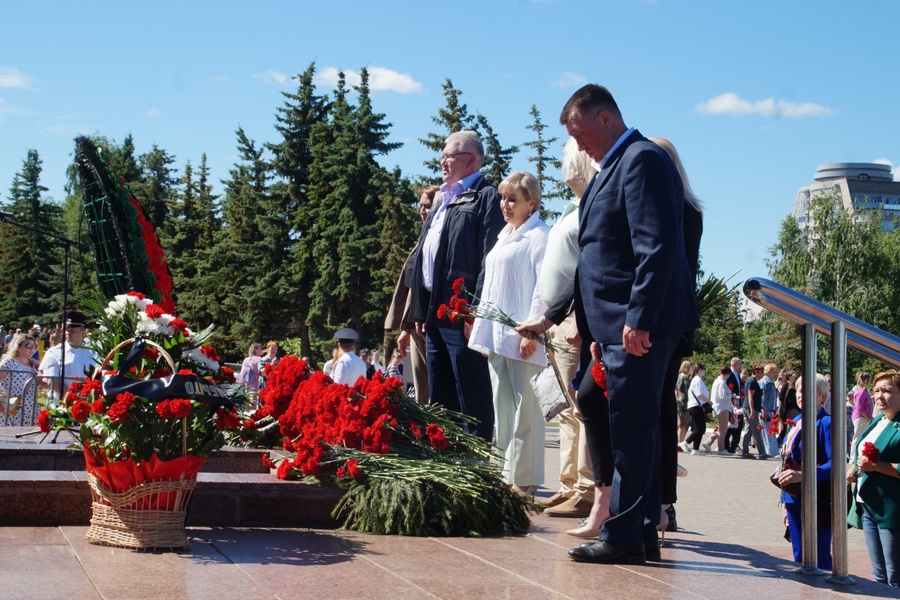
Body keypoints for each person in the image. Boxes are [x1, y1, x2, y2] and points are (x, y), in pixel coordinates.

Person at [559, 84, 700, 565]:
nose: (579, 146)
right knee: (631, 427)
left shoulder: (641, 159)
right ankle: (637, 532)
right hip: (613, 326)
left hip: (635, 324)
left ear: (604, 117)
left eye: (580, 133)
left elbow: (654, 247)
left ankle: (624, 535)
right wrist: (597, 329)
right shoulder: (611, 168)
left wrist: (637, 318)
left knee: (632, 430)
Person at [517, 139, 595, 519]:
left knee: (581, 408)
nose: (564, 163)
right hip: (555, 318)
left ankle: (586, 488)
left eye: (568, 157)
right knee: (564, 411)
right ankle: (568, 486)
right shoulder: (572, 208)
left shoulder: (590, 207)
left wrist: (579, 316)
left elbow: (589, 269)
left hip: (574, 321)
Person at [410, 130, 505, 441]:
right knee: (441, 397)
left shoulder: (485, 195)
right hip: (436, 313)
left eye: (449, 156)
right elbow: (426, 257)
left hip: (462, 314)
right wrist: (420, 312)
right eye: (441, 156)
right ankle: (444, 457)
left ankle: (477, 461)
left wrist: (475, 310)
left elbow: (489, 258)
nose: (443, 162)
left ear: (471, 159)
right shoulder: (443, 199)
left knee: (471, 393)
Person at [468, 171, 549, 493]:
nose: (505, 204)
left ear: (531, 202)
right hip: (498, 335)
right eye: (503, 197)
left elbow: (544, 287)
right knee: (503, 411)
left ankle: (524, 479)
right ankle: (505, 473)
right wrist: (483, 328)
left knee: (525, 412)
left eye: (513, 198)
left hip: (523, 336)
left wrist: (534, 330)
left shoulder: (540, 235)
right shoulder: (505, 235)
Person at [386, 186, 438, 404]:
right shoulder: (422, 240)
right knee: (422, 389)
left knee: (435, 389)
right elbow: (411, 285)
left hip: (433, 323)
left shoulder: (439, 239)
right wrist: (405, 329)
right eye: (420, 207)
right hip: (416, 324)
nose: (422, 211)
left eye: (427, 206)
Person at [848, 370, 900, 587]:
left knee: (895, 575)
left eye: (887, 391)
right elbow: (862, 452)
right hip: (867, 504)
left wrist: (876, 466)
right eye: (876, 390)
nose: (879, 396)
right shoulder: (878, 419)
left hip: (891, 509)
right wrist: (854, 466)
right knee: (878, 575)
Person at [778, 373, 834, 571]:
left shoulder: (826, 423)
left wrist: (804, 475)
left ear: (822, 397)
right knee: (800, 554)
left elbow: (834, 464)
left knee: (819, 555)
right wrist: (784, 502)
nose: (802, 395)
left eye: (810, 391)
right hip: (793, 496)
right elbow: (787, 461)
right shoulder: (797, 420)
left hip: (817, 498)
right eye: (800, 390)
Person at [38, 310, 98, 400]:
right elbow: (53, 381)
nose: (68, 333)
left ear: (83, 332)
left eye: (72, 330)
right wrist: (75, 397)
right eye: (66, 330)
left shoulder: (93, 352)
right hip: (60, 404)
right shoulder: (54, 352)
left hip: (87, 404)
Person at [0, 334, 40, 426]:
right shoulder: (9, 363)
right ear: (18, 346)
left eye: (34, 346)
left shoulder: (33, 365)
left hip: (30, 410)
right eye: (28, 346)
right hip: (11, 409)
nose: (32, 349)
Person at [703, 367, 734, 455]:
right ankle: (721, 448)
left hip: (719, 407)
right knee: (723, 430)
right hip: (722, 408)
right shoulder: (721, 383)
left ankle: (709, 442)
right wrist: (731, 395)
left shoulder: (718, 381)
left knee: (721, 428)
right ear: (727, 374)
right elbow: (722, 396)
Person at [740, 365, 768, 459]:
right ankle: (762, 452)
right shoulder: (752, 381)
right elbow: (750, 397)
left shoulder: (752, 381)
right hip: (751, 409)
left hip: (750, 408)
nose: (763, 374)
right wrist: (752, 410)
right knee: (757, 430)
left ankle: (745, 452)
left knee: (748, 430)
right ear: (756, 372)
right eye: (761, 372)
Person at [685, 364, 710, 455]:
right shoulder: (697, 380)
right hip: (696, 406)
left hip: (695, 406)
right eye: (704, 369)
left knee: (698, 428)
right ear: (699, 370)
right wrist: (708, 401)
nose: (705, 371)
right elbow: (699, 395)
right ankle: (686, 442)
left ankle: (695, 449)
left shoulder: (697, 380)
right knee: (700, 428)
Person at [759, 363, 781, 456]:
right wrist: (763, 410)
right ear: (768, 371)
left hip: (771, 409)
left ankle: (773, 451)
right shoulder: (764, 382)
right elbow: (762, 397)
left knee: (771, 431)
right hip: (765, 410)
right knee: (767, 432)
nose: (775, 372)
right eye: (773, 370)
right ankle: (770, 451)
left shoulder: (771, 382)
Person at [851, 371, 874, 451]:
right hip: (861, 418)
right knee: (857, 438)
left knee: (861, 437)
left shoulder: (863, 391)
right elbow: (859, 407)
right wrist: (868, 417)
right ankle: (853, 458)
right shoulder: (861, 392)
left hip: (862, 418)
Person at [675, 360, 692, 449]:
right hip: (684, 402)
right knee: (683, 424)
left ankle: (680, 442)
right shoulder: (685, 378)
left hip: (679, 402)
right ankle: (680, 442)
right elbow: (688, 390)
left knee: (681, 424)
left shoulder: (679, 376)